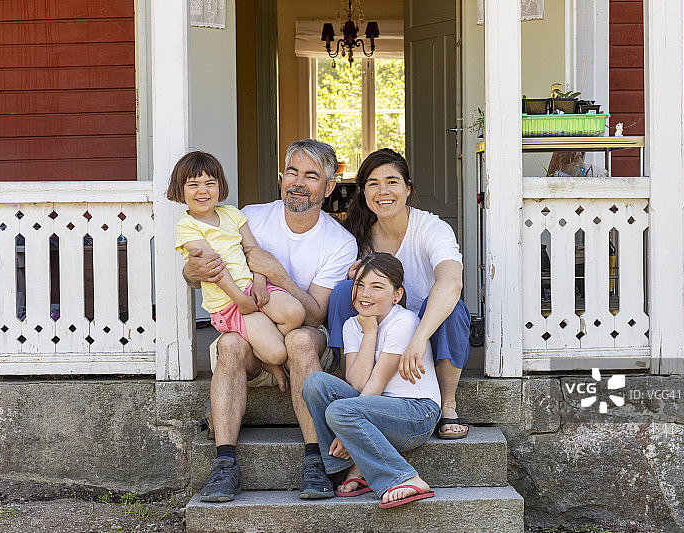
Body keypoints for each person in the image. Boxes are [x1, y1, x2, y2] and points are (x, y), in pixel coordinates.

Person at [183, 140, 358, 502]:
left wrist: (278, 273)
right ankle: (225, 462)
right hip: (248, 332)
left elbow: (316, 314)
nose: (298, 182)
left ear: (328, 187)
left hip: (301, 335)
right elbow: (200, 271)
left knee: (300, 340)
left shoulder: (339, 242)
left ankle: (317, 459)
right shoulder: (251, 217)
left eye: (311, 176)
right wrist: (191, 270)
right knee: (230, 343)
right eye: (292, 172)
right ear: (282, 178)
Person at [327, 148, 471, 439]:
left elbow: (452, 282)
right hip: (376, 331)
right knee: (345, 290)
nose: (383, 191)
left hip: (425, 331)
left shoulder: (431, 228)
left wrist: (418, 338)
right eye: (373, 183)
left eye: (392, 181)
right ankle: (353, 388)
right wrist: (352, 275)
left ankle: (447, 405)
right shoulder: (355, 234)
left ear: (408, 189)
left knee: (453, 307)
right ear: (363, 192)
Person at [302, 253, 441, 508]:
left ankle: (404, 477)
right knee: (315, 383)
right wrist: (370, 331)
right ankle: (347, 465)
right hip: (374, 410)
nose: (365, 294)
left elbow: (375, 383)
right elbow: (356, 382)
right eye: (360, 285)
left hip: (415, 413)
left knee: (340, 411)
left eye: (377, 287)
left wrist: (345, 433)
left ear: (396, 295)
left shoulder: (404, 321)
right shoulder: (352, 326)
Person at [168, 151, 306, 370]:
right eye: (193, 185)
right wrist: (241, 300)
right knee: (278, 353)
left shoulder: (232, 214)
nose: (202, 191)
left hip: (253, 287)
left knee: (296, 313)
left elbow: (253, 251)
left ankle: (259, 338)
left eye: (210, 183)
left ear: (220, 186)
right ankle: (267, 356)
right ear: (179, 189)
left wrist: (260, 284)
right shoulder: (187, 226)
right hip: (229, 302)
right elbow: (213, 269)